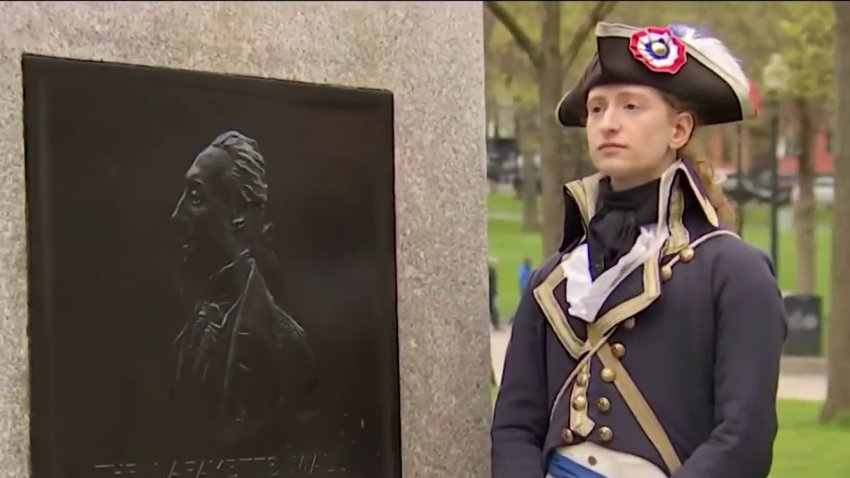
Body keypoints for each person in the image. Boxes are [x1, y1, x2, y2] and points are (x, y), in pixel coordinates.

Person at [491, 22, 787, 478]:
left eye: (632, 106)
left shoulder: (734, 271)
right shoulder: (555, 280)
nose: (608, 122)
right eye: (596, 108)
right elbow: (514, 425)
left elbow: (744, 436)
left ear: (679, 129)